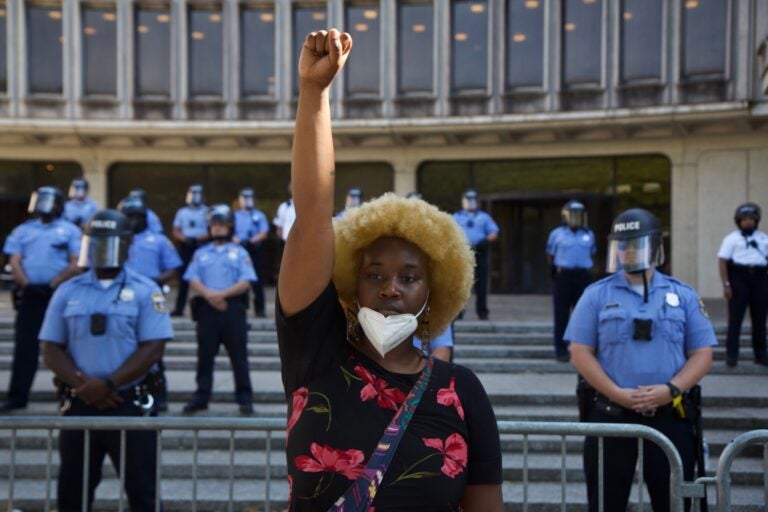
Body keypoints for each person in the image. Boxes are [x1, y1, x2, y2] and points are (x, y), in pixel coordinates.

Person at [277, 29, 503, 511]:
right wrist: (314, 95)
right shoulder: (315, 356)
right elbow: (314, 215)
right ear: (352, 282)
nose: (390, 289)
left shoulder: (461, 391)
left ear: (434, 288)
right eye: (374, 275)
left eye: (409, 277)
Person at [565, 208, 716, 512]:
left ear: (655, 246)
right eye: (623, 245)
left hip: (670, 415)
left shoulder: (683, 295)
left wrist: (671, 390)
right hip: (611, 415)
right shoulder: (595, 295)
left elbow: (702, 353)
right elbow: (580, 352)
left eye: (637, 243)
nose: (630, 251)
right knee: (606, 501)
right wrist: (616, 393)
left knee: (674, 502)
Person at [39, 209, 172, 511]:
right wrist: (85, 386)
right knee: (73, 491)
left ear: (126, 244)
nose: (101, 249)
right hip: (79, 403)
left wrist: (109, 384)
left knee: (143, 490)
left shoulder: (145, 290)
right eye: (95, 242)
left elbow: (152, 348)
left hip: (130, 405)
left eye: (109, 242)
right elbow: (50, 347)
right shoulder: (67, 291)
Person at [0, 186, 81, 412]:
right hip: (31, 296)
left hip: (59, 295)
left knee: (68, 347)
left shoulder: (70, 231)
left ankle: (72, 393)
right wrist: (27, 284)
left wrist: (54, 283)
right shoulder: (23, 231)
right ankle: (18, 396)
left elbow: (76, 263)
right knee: (25, 348)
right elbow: (14, 260)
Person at [182, 204, 256, 415]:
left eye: (221, 225)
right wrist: (210, 296)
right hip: (207, 310)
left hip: (232, 309)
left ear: (230, 227)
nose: (217, 228)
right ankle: (201, 397)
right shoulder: (201, 253)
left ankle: (244, 397)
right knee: (204, 356)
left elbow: (246, 281)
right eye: (214, 225)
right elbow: (192, 278)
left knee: (239, 356)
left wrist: (221, 296)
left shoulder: (240, 252)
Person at [121, 194, 183, 411]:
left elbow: (173, 267)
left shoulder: (159, 240)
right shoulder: (118, 239)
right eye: (129, 216)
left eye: (138, 216)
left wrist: (155, 281)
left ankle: (159, 395)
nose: (133, 220)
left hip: (149, 301)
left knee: (153, 351)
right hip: (120, 302)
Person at [717, 202, 768, 367]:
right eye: (744, 219)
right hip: (739, 278)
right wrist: (726, 284)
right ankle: (732, 356)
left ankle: (760, 354)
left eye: (751, 219)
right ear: (738, 221)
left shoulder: (763, 239)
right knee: (735, 319)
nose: (748, 222)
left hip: (760, 278)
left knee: (760, 319)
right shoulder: (732, 239)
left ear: (756, 221)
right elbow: (723, 261)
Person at [546, 200, 596, 362]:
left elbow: (592, 253)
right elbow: (550, 255)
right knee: (561, 314)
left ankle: (583, 350)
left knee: (583, 314)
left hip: (582, 277)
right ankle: (561, 350)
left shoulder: (588, 234)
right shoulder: (557, 234)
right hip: (563, 277)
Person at [453, 189, 499, 320]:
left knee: (481, 284)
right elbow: (448, 231)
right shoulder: (456, 216)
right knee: (461, 284)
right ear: (463, 201)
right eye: (467, 200)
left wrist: (486, 240)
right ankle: (458, 312)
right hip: (463, 253)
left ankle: (482, 312)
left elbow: (494, 232)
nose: (470, 203)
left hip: (480, 253)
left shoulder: (484, 217)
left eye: (472, 200)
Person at [171, 184, 209, 316]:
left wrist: (199, 238)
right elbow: (175, 230)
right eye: (193, 194)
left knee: (205, 278)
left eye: (198, 194)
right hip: (186, 247)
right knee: (184, 279)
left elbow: (211, 230)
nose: (195, 197)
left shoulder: (207, 211)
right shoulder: (182, 212)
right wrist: (185, 239)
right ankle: (179, 309)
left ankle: (206, 308)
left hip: (202, 247)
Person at [233, 187, 270, 317]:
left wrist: (253, 240)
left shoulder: (259, 215)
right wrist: (237, 240)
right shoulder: (235, 215)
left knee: (257, 280)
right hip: (239, 249)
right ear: (240, 200)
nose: (247, 201)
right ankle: (241, 308)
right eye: (244, 198)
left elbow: (264, 232)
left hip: (254, 249)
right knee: (240, 278)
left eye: (249, 198)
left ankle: (260, 309)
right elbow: (231, 232)